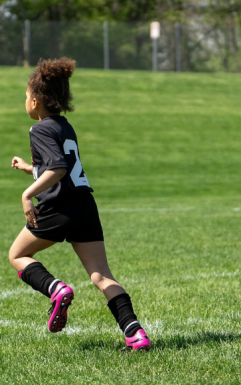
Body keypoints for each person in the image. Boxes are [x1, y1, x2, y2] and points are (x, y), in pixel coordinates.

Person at [8, 57, 151, 351]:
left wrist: (26, 194)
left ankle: (56, 289)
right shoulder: (64, 126)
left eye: (25, 96)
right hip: (84, 204)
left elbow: (57, 169)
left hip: (59, 206)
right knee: (101, 275)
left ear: (35, 101)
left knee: (17, 255)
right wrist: (28, 168)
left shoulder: (38, 130)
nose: (24, 100)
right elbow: (59, 166)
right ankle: (136, 335)